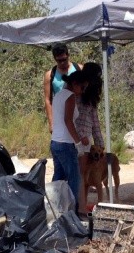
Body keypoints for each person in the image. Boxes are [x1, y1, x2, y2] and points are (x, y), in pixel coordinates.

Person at [50, 69, 90, 216]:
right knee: (74, 179)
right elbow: (68, 121)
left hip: (55, 141)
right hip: (66, 144)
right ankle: (72, 213)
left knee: (58, 179)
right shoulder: (70, 96)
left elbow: (64, 121)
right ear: (74, 84)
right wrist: (78, 143)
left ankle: (54, 209)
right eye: (82, 87)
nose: (82, 91)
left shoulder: (58, 95)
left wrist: (79, 138)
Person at [76, 62, 104, 210]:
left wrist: (100, 144)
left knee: (82, 176)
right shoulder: (76, 90)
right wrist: (80, 135)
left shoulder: (90, 96)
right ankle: (78, 208)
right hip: (75, 138)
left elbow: (95, 121)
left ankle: (80, 207)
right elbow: (70, 118)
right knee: (78, 176)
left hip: (85, 140)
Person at [44, 43, 81, 133]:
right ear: (55, 59)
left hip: (79, 116)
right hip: (60, 117)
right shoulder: (49, 75)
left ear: (68, 55)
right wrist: (51, 123)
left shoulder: (79, 69)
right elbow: (48, 100)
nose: (62, 63)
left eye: (64, 59)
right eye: (59, 60)